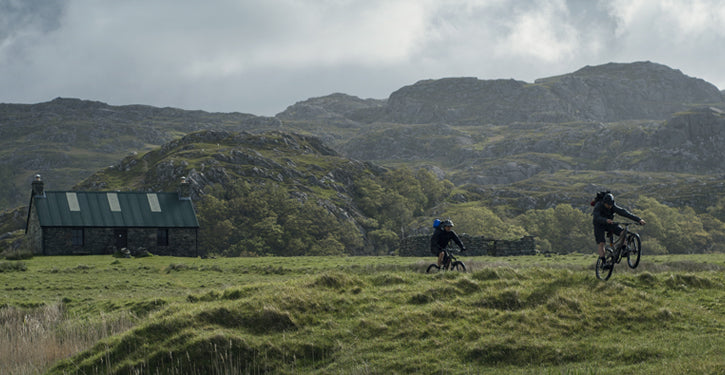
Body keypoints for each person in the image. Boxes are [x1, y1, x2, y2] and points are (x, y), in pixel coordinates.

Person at [592, 193, 646, 268]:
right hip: (599, 225)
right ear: (604, 203)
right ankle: (604, 262)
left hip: (609, 223)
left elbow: (624, 213)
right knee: (601, 243)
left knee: (623, 232)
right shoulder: (598, 206)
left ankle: (624, 249)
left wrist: (639, 219)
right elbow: (596, 217)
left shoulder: (613, 207)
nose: (610, 206)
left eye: (611, 205)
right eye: (608, 205)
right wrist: (605, 220)